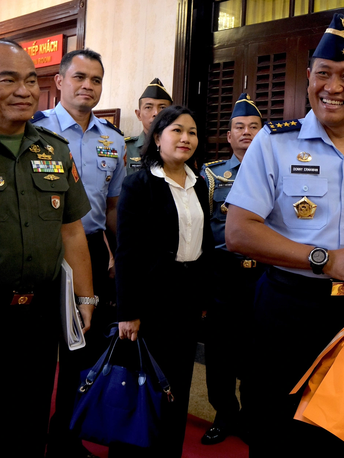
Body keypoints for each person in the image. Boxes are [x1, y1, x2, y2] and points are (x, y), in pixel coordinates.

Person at [224, 13, 344, 458]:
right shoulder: (274, 142)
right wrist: (325, 258)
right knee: (272, 433)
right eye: (323, 74)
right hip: (286, 309)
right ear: (308, 78)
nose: (332, 87)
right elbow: (239, 231)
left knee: (340, 440)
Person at [0, 39, 93, 458]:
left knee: (28, 428)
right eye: (8, 79)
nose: (24, 91)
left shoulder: (54, 149)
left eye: (31, 80)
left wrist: (85, 296)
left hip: (36, 317)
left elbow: (71, 231)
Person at [32, 48, 126, 458]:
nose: (88, 86)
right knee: (34, 351)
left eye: (97, 79)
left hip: (87, 250)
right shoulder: (35, 129)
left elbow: (112, 210)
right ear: (59, 82)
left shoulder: (114, 140)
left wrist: (119, 255)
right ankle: (28, 438)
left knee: (80, 352)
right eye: (80, 77)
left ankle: (65, 437)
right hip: (38, 248)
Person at [115, 106, 214, 457]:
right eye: (177, 131)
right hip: (150, 301)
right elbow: (126, 252)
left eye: (192, 132)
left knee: (177, 385)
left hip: (186, 300)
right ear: (157, 138)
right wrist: (127, 311)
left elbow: (204, 244)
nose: (186, 138)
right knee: (144, 386)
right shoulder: (139, 183)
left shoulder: (199, 183)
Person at [199, 92, 263, 445]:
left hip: (265, 275)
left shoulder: (277, 173)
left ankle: (253, 418)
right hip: (223, 274)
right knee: (220, 353)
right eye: (239, 127)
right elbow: (202, 230)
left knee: (258, 352)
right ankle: (225, 414)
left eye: (254, 127)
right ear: (228, 135)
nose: (246, 133)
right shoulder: (211, 175)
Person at [125, 78, 173, 176]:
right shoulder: (126, 148)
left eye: (162, 107)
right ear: (138, 114)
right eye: (148, 107)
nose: (156, 113)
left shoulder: (179, 147)